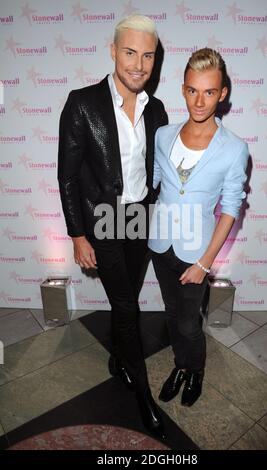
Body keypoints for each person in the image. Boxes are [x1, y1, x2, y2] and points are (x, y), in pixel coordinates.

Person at [58, 15, 168, 439]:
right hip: (101, 219)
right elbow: (67, 175)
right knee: (127, 307)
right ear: (113, 51)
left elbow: (158, 170)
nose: (138, 64)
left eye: (147, 55)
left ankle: (118, 359)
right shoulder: (82, 103)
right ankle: (142, 394)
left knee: (129, 298)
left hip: (138, 215)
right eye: (130, 52)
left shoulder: (155, 108)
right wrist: (77, 234)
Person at [148, 48, 249, 407]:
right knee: (172, 315)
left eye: (209, 92)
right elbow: (154, 187)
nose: (200, 101)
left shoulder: (235, 149)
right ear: (184, 89)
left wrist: (205, 263)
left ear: (222, 94)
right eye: (193, 90)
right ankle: (180, 365)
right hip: (161, 246)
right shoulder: (163, 136)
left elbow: (230, 211)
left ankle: (197, 371)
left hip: (197, 253)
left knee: (191, 322)